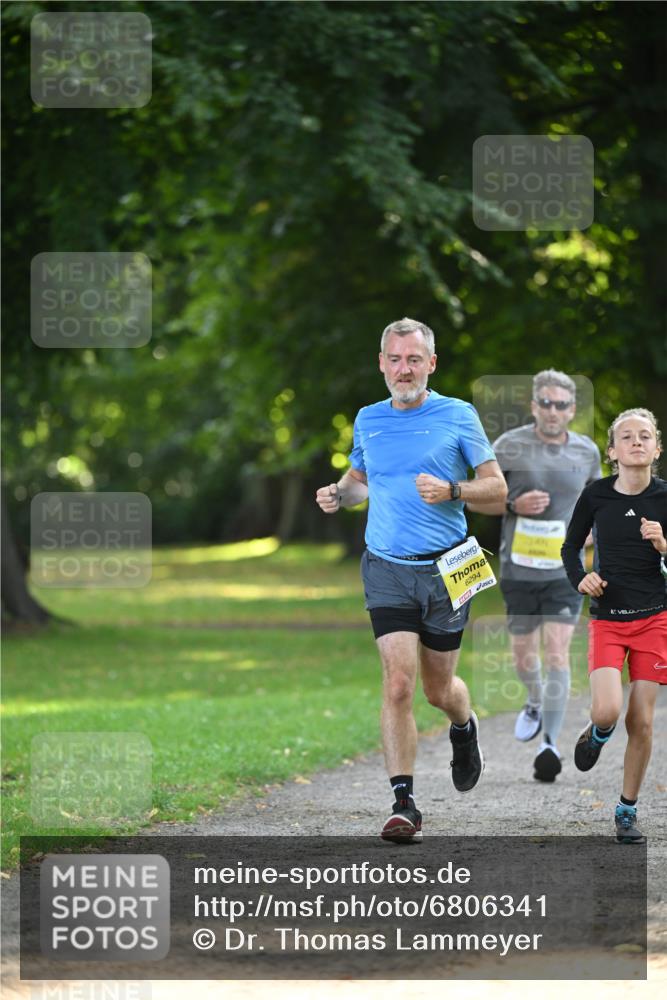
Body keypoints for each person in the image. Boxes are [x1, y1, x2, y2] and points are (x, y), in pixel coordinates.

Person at [315, 317, 507, 842]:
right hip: (387, 567)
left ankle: (464, 727)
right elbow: (360, 481)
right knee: (398, 683)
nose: (404, 369)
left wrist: (453, 490)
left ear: (431, 364)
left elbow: (497, 489)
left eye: (414, 360)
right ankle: (404, 804)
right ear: (382, 363)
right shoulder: (368, 419)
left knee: (439, 690)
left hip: (450, 568)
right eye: (396, 359)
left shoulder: (457, 415)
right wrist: (338, 494)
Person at [467, 371, 601, 782]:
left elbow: (599, 503)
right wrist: (513, 504)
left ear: (572, 409)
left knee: (557, 651)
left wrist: (593, 532)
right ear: (533, 406)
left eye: (561, 404)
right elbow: (476, 500)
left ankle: (550, 745)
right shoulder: (509, 445)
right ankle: (534, 699)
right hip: (519, 570)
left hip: (565, 570)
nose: (552, 411)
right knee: (524, 656)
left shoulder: (587, 451)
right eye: (545, 403)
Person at [562, 408, 666, 844]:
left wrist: (664, 544)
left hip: (655, 619)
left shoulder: (664, 497)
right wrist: (581, 579)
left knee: (641, 720)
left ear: (657, 449)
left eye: (645, 436)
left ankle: (626, 809)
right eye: (627, 436)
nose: (636, 441)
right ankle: (598, 733)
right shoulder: (596, 495)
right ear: (612, 452)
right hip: (608, 618)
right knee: (607, 710)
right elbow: (570, 548)